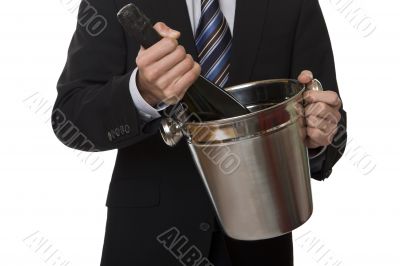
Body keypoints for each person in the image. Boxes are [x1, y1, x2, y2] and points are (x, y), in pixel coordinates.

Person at [52, 0, 347, 265]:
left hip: (262, 245)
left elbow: (332, 120)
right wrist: (141, 92)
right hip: (147, 242)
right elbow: (71, 117)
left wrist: (317, 135)